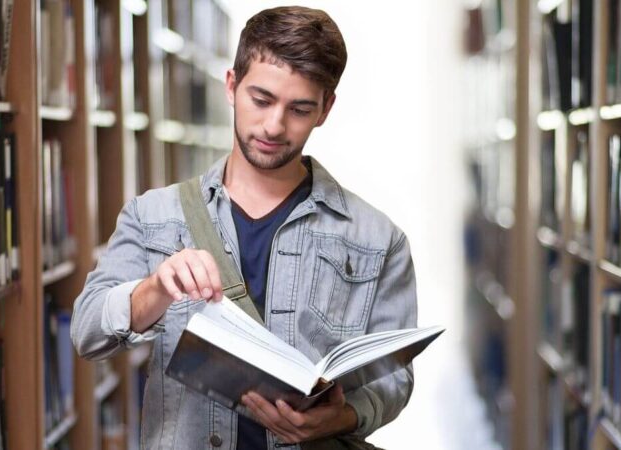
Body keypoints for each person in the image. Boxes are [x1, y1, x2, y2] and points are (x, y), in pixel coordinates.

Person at [71, 6, 417, 449]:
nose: (274, 125)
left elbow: (395, 379)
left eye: (300, 109)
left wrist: (343, 417)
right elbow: (86, 332)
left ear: (325, 109)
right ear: (232, 86)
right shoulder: (153, 215)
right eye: (262, 99)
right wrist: (154, 288)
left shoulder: (378, 240)